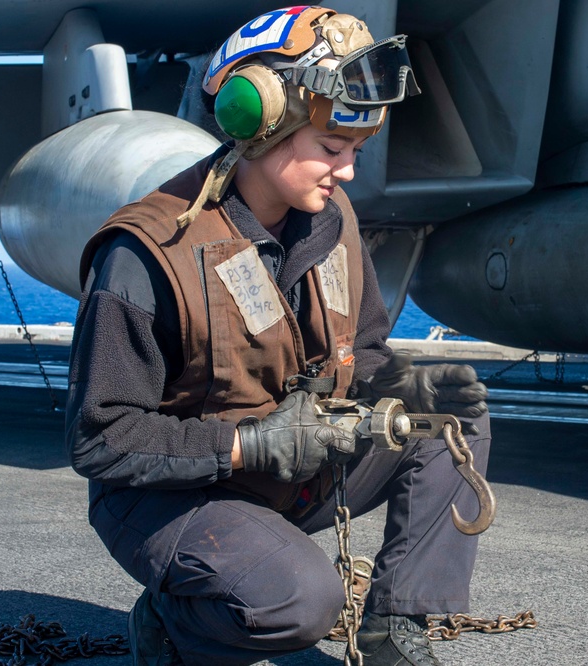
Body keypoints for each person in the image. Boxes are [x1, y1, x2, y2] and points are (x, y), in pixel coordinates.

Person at [65, 6, 490, 665]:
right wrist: (246, 445)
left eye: (354, 151)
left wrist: (406, 385)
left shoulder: (329, 220)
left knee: (453, 417)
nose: (347, 171)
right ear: (257, 124)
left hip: (291, 472)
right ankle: (174, 622)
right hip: (169, 496)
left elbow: (366, 350)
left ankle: (393, 635)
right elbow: (103, 440)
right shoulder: (150, 253)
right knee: (299, 601)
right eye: (330, 150)